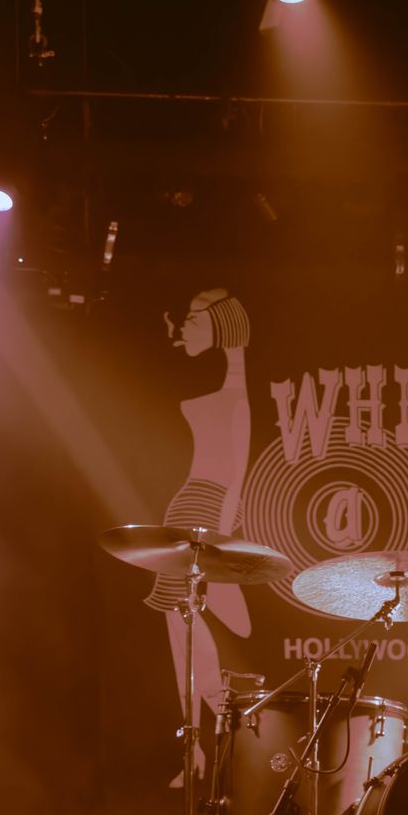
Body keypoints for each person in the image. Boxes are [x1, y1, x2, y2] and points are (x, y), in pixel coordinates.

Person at [146, 288, 254, 784]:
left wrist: (221, 539)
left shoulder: (236, 399)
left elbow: (236, 476)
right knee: (181, 629)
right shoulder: (225, 388)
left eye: (195, 319)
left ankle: (222, 731)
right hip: (191, 507)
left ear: (221, 326)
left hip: (205, 511)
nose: (184, 326)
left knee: (187, 629)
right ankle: (197, 746)